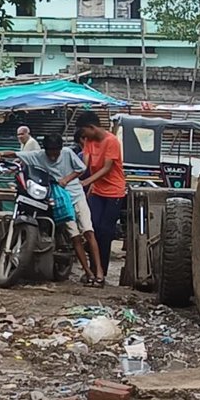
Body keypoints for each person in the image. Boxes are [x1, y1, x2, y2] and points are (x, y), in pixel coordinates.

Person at [75, 110, 125, 283]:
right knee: (91, 227)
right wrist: (73, 176)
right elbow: (85, 164)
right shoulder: (89, 141)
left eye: (84, 131)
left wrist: (86, 181)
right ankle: (93, 268)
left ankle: (101, 270)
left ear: (92, 127)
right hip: (96, 191)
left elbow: (106, 168)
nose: (83, 136)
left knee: (105, 231)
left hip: (114, 192)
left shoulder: (111, 141)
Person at [48, 131, 101, 284]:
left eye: (55, 152)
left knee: (89, 232)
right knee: (75, 237)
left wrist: (67, 179)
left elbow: (81, 168)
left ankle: (99, 271)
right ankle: (89, 272)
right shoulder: (41, 156)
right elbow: (23, 156)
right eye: (50, 152)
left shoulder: (69, 153)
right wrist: (3, 154)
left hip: (77, 196)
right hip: (62, 201)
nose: (53, 156)